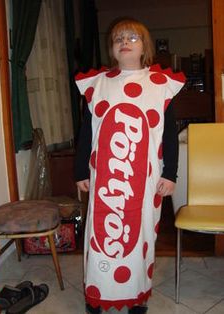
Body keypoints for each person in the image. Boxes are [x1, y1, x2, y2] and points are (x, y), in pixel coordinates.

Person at [75, 18, 186, 314]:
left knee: (141, 237)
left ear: (145, 47)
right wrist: (80, 171)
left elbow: (170, 134)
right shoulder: (97, 84)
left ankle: (137, 295)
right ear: (112, 49)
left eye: (133, 37)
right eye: (118, 38)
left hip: (146, 180)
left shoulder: (161, 85)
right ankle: (96, 296)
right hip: (105, 182)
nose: (125, 41)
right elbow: (87, 132)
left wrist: (170, 173)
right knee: (99, 236)